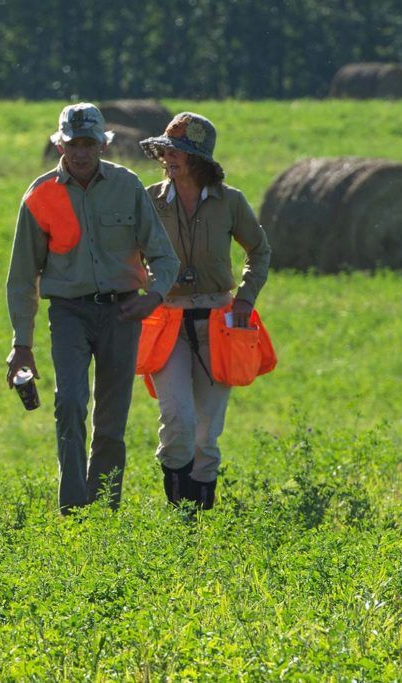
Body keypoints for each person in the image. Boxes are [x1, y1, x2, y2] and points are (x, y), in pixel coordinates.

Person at [6, 102, 179, 514]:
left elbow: (164, 257)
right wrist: (22, 344)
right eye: (72, 143)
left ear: (103, 144)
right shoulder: (40, 194)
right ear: (60, 145)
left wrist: (151, 299)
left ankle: (104, 508)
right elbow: (21, 278)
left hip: (123, 313)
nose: (80, 152)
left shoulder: (128, 186)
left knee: (112, 419)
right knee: (69, 402)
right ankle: (74, 507)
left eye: (88, 143)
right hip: (68, 312)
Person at [139, 113, 271, 510]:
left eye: (179, 151)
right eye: (166, 149)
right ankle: (180, 515)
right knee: (177, 421)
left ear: (200, 159)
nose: (169, 157)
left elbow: (259, 251)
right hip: (167, 319)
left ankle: (199, 526)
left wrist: (245, 299)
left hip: (219, 322)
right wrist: (141, 286)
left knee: (205, 434)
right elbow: (127, 252)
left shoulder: (231, 201)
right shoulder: (149, 199)